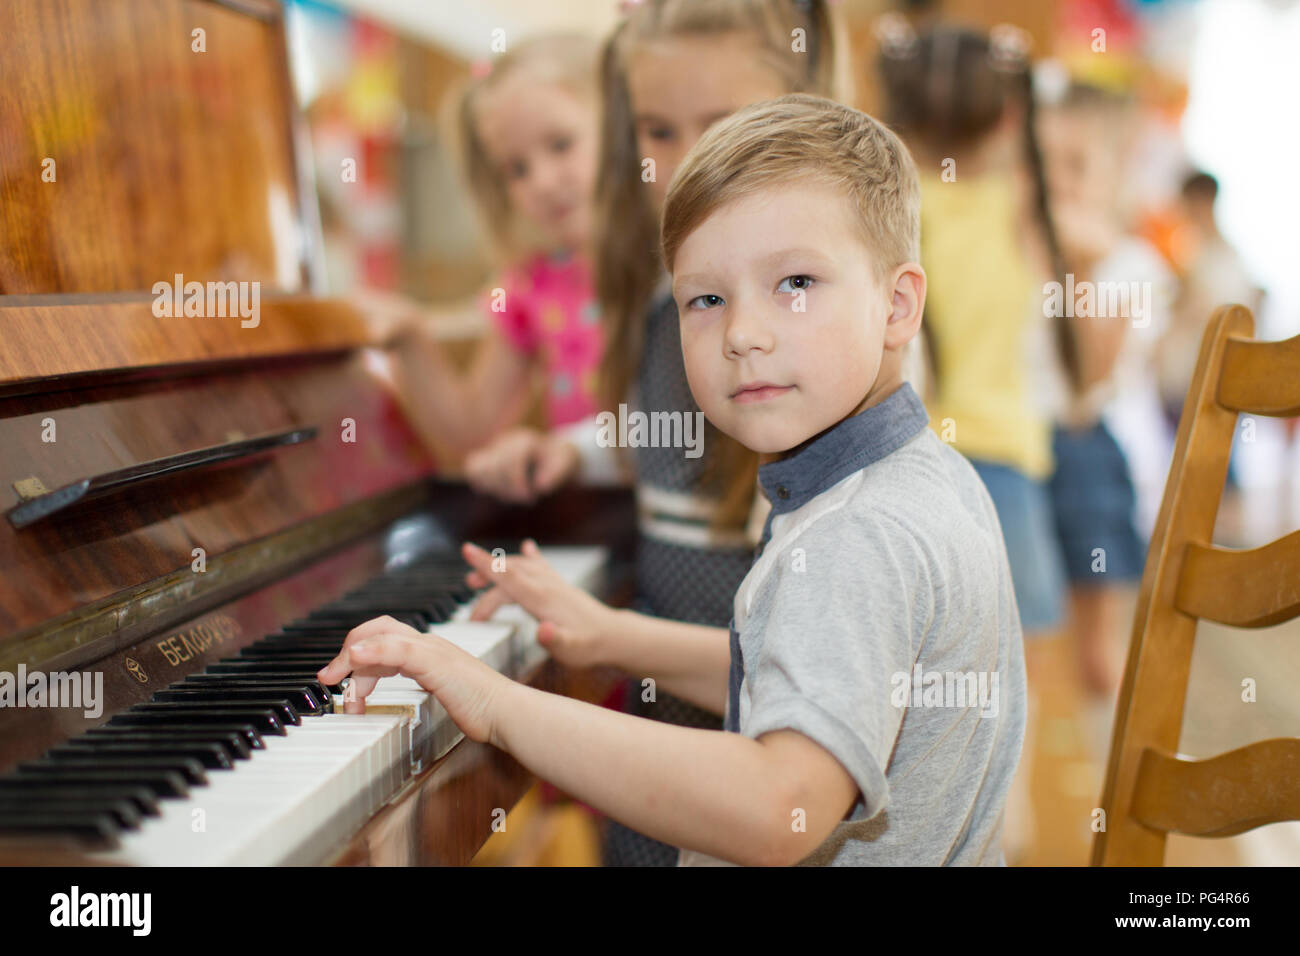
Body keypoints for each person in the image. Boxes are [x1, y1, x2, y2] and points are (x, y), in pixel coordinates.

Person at [319, 94, 1026, 866]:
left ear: (896, 306)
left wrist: (496, 702)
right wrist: (609, 636)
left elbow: (777, 805)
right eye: (707, 299)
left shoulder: (857, 535)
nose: (743, 335)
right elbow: (804, 677)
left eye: (795, 282)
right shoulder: (915, 476)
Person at [459, 0, 849, 866]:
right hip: (669, 711)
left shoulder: (822, 351)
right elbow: (671, 431)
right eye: (658, 130)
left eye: (725, 125)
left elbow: (800, 678)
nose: (688, 161)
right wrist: (577, 448)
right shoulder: (666, 300)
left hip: (752, 747)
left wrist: (602, 637)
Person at [876, 19, 1073, 861]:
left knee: (914, 690)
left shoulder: (888, 216)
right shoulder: (1024, 212)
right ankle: (1002, 837)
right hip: (1010, 478)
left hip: (910, 474)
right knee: (1013, 691)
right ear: (1005, 121)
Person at [367, 33, 606, 456]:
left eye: (561, 144)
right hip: (586, 511)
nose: (543, 182)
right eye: (516, 169)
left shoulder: (672, 261)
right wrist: (410, 334)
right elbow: (470, 428)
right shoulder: (529, 286)